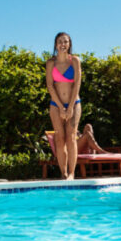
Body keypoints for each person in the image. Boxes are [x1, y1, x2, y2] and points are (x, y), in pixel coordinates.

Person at [46, 32, 83, 180]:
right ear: (55, 44)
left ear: (69, 44)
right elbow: (50, 85)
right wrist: (61, 107)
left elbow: (77, 84)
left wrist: (71, 106)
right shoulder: (50, 63)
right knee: (59, 138)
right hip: (56, 104)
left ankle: (72, 173)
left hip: (74, 103)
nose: (63, 44)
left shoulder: (74, 61)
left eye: (66, 42)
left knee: (71, 137)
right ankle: (63, 173)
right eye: (60, 41)